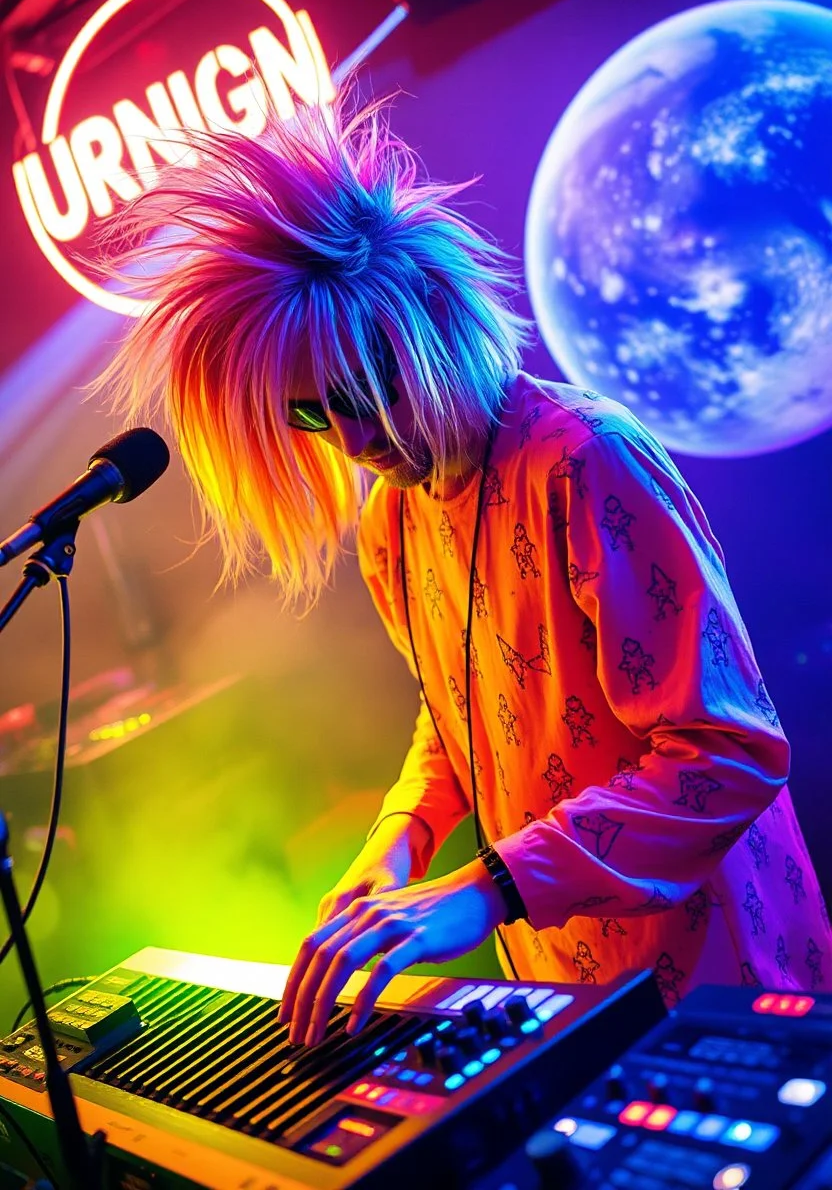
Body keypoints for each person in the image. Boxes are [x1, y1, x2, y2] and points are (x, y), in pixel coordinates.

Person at [99, 95, 831, 1050]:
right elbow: (461, 718)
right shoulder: (391, 518)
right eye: (313, 418)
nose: (355, 441)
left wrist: (488, 890)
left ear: (433, 327)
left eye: (364, 396)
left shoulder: (585, 459)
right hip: (575, 999)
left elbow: (731, 753)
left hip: (727, 988)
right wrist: (398, 842)